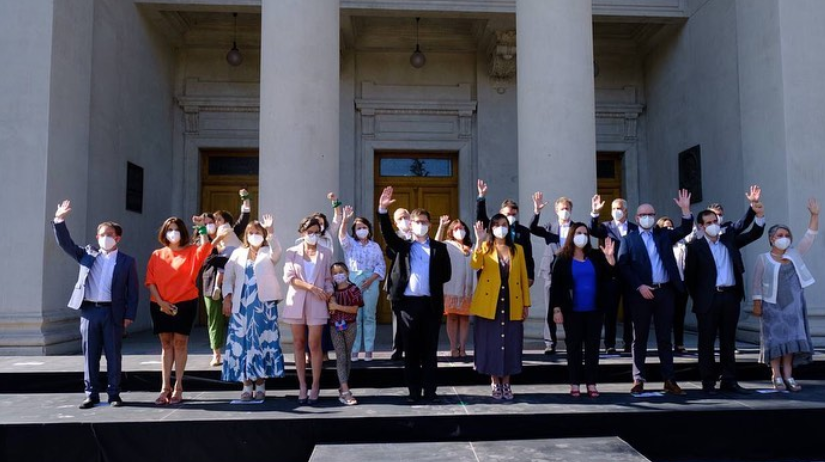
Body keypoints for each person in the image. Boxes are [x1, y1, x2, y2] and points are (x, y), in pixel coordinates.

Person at [52, 200, 139, 409]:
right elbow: (66, 243)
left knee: (113, 354)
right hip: (89, 310)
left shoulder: (127, 261)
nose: (105, 238)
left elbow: (133, 291)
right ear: (96, 237)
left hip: (112, 312)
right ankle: (91, 393)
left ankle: (114, 393)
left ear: (117, 237)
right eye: (101, 235)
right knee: (90, 354)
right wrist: (59, 220)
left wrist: (129, 315)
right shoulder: (87, 254)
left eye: (109, 235)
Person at [378, 186, 451, 403]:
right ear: (411, 224)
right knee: (410, 351)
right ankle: (413, 392)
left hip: (430, 305)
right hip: (407, 305)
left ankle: (430, 391)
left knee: (429, 351)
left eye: (424, 222)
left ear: (429, 224)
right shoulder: (404, 246)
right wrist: (382, 211)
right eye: (416, 221)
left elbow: (446, 274)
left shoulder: (439, 248)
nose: (420, 225)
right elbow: (389, 237)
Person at [684, 199, 765, 395]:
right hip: (708, 300)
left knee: (729, 341)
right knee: (707, 342)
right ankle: (708, 382)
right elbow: (690, 278)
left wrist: (757, 214)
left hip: (730, 297)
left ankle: (729, 379)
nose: (714, 225)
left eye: (716, 221)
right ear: (701, 226)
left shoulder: (729, 239)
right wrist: (701, 298)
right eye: (709, 222)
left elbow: (750, 230)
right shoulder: (695, 247)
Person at [617, 190, 693, 395]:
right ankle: (638, 379)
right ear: (636, 218)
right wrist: (639, 286)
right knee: (639, 337)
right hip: (641, 293)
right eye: (643, 215)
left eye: (651, 214)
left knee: (664, 338)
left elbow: (685, 229)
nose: (647, 218)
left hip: (664, 292)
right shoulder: (629, 240)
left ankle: (669, 379)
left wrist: (685, 210)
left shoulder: (664, 235)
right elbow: (623, 266)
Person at [146, 215, 225, 405]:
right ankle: (165, 387)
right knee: (166, 344)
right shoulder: (157, 254)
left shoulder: (192, 252)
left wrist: (202, 229)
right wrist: (161, 303)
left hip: (185, 303)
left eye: (177, 229)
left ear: (183, 232)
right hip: (160, 304)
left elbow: (206, 248)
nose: (173, 233)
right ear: (165, 232)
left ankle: (178, 386)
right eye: (170, 229)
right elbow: (150, 281)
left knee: (180, 343)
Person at [752, 198, 819, 392]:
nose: (785, 237)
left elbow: (810, 236)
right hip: (772, 306)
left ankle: (789, 375)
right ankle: (776, 375)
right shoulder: (763, 259)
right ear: (772, 239)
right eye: (780, 235)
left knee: (790, 342)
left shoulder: (794, 253)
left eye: (787, 235)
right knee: (776, 342)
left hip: (793, 306)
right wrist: (757, 303)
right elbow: (756, 283)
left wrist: (814, 215)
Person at [221, 215, 285, 400]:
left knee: (261, 342)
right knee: (243, 343)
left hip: (263, 306)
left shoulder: (268, 251)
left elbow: (278, 251)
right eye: (250, 233)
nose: (254, 235)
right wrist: (227, 298)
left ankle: (261, 384)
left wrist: (271, 231)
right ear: (246, 235)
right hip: (242, 306)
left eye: (257, 233)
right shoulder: (238, 253)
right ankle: (246, 385)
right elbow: (228, 278)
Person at [551, 224, 616, 398]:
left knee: (593, 348)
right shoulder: (562, 258)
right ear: (572, 235)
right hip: (572, 311)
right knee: (574, 348)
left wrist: (610, 259)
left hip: (594, 310)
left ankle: (591, 383)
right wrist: (557, 310)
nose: (582, 236)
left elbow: (609, 275)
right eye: (579, 233)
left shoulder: (595, 256)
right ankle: (574, 383)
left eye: (585, 233)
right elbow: (556, 286)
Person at [471, 214, 531, 400]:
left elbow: (522, 277)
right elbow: (475, 264)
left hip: (511, 300)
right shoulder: (485, 247)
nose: (500, 228)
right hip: (490, 302)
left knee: (510, 342)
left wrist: (526, 303)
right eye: (496, 225)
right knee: (492, 342)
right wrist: (478, 241)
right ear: (491, 228)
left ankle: (506, 382)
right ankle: (494, 381)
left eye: (504, 224)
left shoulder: (518, 249)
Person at [282, 215, 333, 405]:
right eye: (309, 232)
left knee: (314, 345)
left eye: (316, 232)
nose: (312, 235)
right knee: (298, 343)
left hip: (318, 302)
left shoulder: (325, 252)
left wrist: (328, 292)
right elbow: (289, 277)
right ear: (302, 233)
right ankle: (302, 384)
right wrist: (311, 287)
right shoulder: (292, 251)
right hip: (297, 300)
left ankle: (315, 384)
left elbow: (328, 278)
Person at [201, 189, 251, 367]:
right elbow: (202, 258)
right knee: (214, 318)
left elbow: (244, 216)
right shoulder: (204, 237)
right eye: (213, 221)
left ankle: (237, 350)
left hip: (236, 281)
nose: (215, 223)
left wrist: (245, 198)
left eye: (219, 220)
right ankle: (216, 354)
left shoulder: (233, 233)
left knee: (236, 316)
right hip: (211, 282)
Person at [590, 196, 638, 354]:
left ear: (625, 210)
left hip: (630, 274)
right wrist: (595, 213)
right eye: (613, 209)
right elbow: (593, 230)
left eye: (619, 208)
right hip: (611, 275)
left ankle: (628, 343)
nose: (616, 212)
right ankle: (609, 344)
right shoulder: (606, 227)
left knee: (630, 310)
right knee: (610, 310)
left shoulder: (634, 228)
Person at [338, 205, 386, 362]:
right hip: (354, 281)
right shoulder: (351, 244)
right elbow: (342, 236)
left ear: (369, 229)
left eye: (364, 227)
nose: (361, 230)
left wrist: (372, 279)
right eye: (358, 227)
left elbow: (381, 264)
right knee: (355, 317)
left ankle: (369, 350)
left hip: (371, 281)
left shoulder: (375, 246)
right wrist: (345, 219)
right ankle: (354, 349)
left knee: (369, 316)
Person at [529, 193, 573, 355]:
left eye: (567, 209)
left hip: (570, 272)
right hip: (551, 272)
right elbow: (533, 228)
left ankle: (571, 340)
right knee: (550, 308)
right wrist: (536, 211)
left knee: (569, 307)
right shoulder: (549, 227)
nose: (564, 211)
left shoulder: (576, 228)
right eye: (562, 209)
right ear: (556, 210)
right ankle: (550, 342)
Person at [476, 179, 534, 284]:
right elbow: (481, 219)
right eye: (508, 214)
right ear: (501, 212)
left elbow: (528, 255)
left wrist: (530, 276)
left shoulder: (523, 231)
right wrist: (481, 197)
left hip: (515, 273)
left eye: (513, 215)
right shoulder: (494, 226)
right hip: (494, 271)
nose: (510, 217)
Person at [435, 215, 475, 358]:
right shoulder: (447, 245)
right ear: (451, 231)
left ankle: (462, 347)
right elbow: (435, 243)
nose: (460, 231)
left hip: (467, 289)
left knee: (464, 318)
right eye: (457, 228)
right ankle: (453, 347)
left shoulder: (472, 247)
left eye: (462, 228)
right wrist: (441, 226)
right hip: (451, 288)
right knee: (452, 317)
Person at [328, 262, 364, 405]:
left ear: (347, 273)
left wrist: (337, 306)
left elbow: (354, 309)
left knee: (347, 356)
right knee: (341, 355)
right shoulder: (331, 292)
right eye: (335, 273)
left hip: (350, 325)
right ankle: (345, 391)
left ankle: (342, 386)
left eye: (341, 272)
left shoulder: (354, 289)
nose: (338, 275)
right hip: (334, 326)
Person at [656, 217, 689, 354]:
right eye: (665, 227)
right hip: (666, 284)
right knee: (665, 316)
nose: (669, 229)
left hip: (681, 282)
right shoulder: (659, 244)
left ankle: (679, 342)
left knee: (679, 314)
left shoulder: (682, 244)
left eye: (671, 227)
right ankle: (664, 343)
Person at [386, 207, 412, 361]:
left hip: (416, 284)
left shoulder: (419, 236)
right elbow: (390, 252)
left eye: (406, 216)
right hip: (398, 283)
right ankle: (397, 349)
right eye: (400, 218)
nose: (404, 220)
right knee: (397, 318)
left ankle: (412, 350)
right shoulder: (394, 237)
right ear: (396, 223)